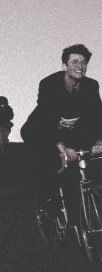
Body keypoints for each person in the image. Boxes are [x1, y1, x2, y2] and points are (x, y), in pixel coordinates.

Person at [21, 44, 102, 217]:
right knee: (46, 159)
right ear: (64, 66)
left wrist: (98, 141)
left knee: (79, 161)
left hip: (71, 131)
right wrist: (61, 146)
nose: (80, 66)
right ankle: (45, 199)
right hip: (39, 129)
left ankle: (73, 198)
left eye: (84, 62)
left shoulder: (91, 85)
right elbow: (46, 118)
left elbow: (97, 115)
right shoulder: (49, 84)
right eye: (74, 62)